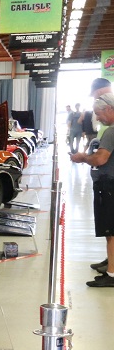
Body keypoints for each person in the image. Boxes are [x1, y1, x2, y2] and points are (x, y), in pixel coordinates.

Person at [70, 92, 114, 287]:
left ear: (110, 109)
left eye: (98, 113)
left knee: (110, 230)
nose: (97, 117)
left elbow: (100, 159)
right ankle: (111, 264)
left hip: (109, 185)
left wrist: (83, 158)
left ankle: (111, 275)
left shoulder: (111, 131)